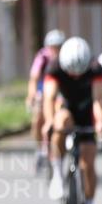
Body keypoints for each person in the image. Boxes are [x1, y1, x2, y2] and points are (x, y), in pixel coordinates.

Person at [43, 37, 102, 204]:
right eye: (71, 71)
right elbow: (49, 98)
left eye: (79, 72)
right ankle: (57, 175)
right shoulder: (54, 67)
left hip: (86, 111)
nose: (75, 75)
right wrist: (49, 122)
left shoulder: (96, 68)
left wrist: (101, 123)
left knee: (88, 165)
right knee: (60, 123)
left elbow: (98, 100)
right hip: (66, 108)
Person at [26, 29, 66, 172]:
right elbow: (34, 78)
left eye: (58, 46)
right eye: (53, 47)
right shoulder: (42, 57)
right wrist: (32, 95)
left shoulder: (65, 57)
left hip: (60, 91)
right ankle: (40, 147)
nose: (55, 50)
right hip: (44, 90)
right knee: (38, 119)